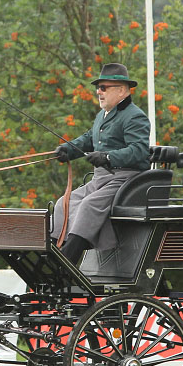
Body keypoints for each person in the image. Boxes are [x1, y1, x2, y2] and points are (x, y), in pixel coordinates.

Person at [51, 63, 150, 264]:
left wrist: (107, 157)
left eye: (104, 87)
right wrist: (68, 150)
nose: (98, 92)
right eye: (98, 87)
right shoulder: (103, 114)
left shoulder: (135, 116)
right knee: (64, 203)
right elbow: (89, 138)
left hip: (125, 180)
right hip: (101, 178)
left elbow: (139, 151)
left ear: (122, 90)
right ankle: (52, 252)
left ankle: (67, 261)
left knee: (88, 205)